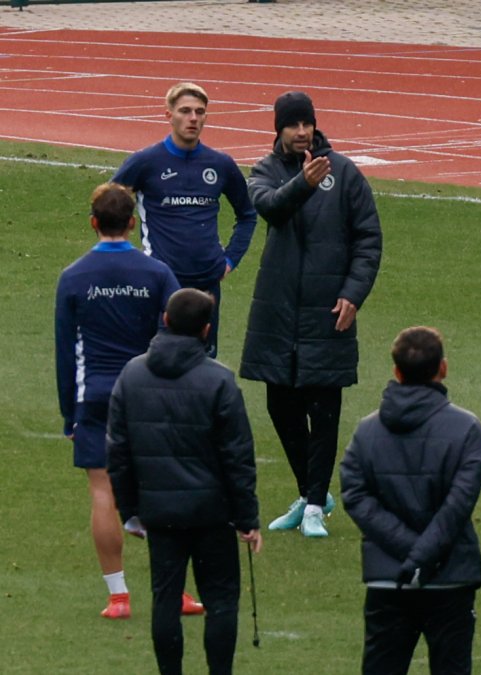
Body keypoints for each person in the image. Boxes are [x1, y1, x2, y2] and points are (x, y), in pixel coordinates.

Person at [53, 183, 202, 619]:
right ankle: (172, 592)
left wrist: (69, 414)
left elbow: (65, 352)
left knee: (103, 491)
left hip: (96, 396)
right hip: (148, 393)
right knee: (160, 491)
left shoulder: (73, 276)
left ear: (94, 222)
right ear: (134, 223)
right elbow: (179, 333)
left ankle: (118, 597)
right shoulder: (156, 273)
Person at [241, 90, 383, 538]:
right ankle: (313, 494)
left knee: (324, 408)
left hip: (328, 310)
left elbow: (368, 239)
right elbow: (270, 209)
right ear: (279, 129)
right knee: (279, 405)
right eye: (292, 125)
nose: (301, 132)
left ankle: (314, 508)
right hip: (278, 312)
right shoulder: (265, 171)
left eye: (307, 124)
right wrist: (303, 183)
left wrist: (353, 294)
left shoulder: (344, 173)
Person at [107, 288, 262, 675]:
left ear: (165, 321)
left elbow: (118, 453)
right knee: (222, 600)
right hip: (212, 513)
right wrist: (247, 518)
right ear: (206, 330)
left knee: (165, 598)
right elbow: (237, 458)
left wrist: (130, 511)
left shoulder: (132, 375)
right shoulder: (219, 381)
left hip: (159, 512)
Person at [341, 326, 481, 674]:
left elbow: (355, 495)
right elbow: (457, 506)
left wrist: (407, 552)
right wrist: (421, 555)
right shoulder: (466, 429)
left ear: (396, 371)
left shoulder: (367, 431)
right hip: (449, 574)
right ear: (443, 368)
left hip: (388, 576)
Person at [112, 81, 258, 358]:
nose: (193, 118)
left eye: (199, 112)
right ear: (169, 115)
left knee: (202, 364)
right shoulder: (145, 162)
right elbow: (108, 208)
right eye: (185, 111)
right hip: (161, 282)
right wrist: (130, 258)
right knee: (155, 361)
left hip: (206, 284)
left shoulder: (220, 164)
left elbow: (248, 215)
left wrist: (229, 261)